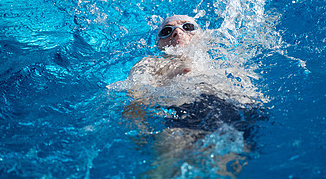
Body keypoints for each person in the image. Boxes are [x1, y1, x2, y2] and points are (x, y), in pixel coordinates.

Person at [108, 15, 266, 178]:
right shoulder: (151, 63)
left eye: (188, 27)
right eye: (166, 31)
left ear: (203, 35)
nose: (177, 32)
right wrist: (138, 126)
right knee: (165, 170)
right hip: (184, 111)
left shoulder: (222, 57)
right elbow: (137, 93)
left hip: (232, 110)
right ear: (158, 44)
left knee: (222, 171)